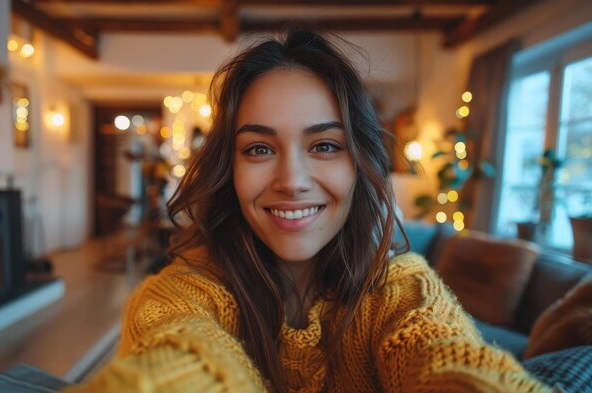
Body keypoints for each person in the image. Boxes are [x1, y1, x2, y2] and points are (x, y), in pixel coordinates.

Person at [67, 29, 550, 393]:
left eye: (323, 145)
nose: (292, 180)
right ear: (227, 169)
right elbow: (178, 353)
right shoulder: (178, 294)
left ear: (359, 164)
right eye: (258, 149)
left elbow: (449, 359)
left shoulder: (403, 290)